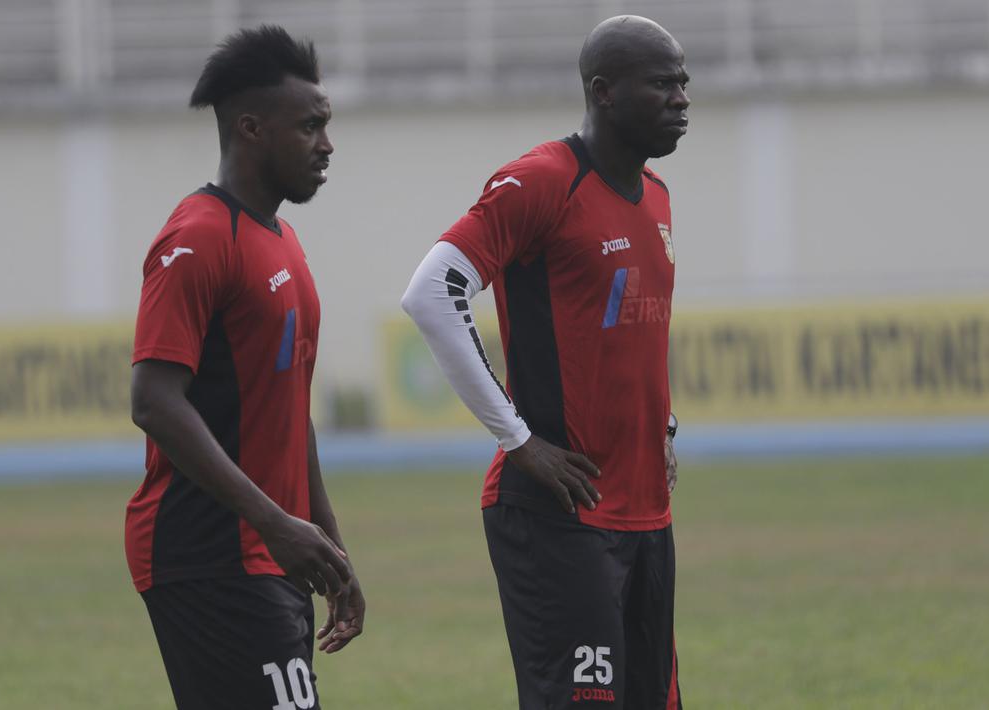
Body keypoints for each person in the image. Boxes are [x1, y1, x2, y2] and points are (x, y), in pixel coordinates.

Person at [401, 14, 688, 709]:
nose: (681, 99)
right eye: (661, 84)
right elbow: (432, 293)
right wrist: (518, 438)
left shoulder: (655, 196)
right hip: (561, 515)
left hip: (646, 513)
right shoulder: (540, 182)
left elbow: (624, 328)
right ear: (603, 92)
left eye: (683, 83)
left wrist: (664, 425)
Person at [125, 25, 363, 710]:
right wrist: (273, 521)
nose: (327, 144)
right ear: (252, 129)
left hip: (269, 550)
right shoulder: (198, 237)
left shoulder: (282, 240)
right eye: (310, 126)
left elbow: (288, 409)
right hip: (207, 553)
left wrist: (327, 544)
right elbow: (153, 400)